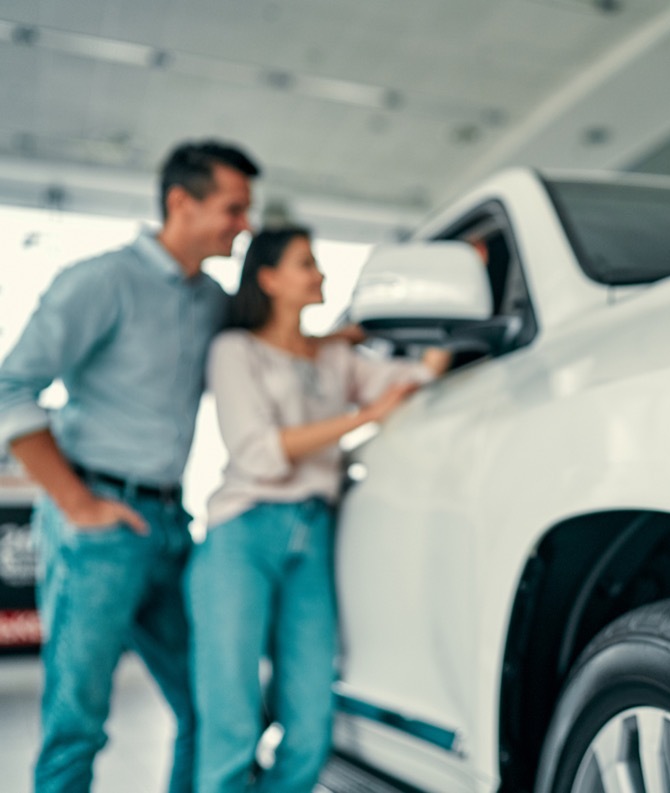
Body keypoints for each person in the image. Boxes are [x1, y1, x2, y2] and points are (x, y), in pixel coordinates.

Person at [0, 140, 260, 793]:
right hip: (99, 524)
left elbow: (279, 341)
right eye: (233, 209)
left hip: (172, 526)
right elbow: (12, 387)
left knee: (211, 705)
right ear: (182, 202)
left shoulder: (211, 301)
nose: (244, 226)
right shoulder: (102, 281)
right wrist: (78, 504)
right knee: (77, 722)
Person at [186, 226, 450, 793]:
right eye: (307, 264)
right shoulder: (235, 350)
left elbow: (416, 378)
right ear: (269, 279)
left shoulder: (337, 359)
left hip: (314, 535)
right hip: (243, 532)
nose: (321, 275)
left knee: (310, 727)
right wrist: (364, 417)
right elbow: (258, 453)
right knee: (231, 724)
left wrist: (453, 307)